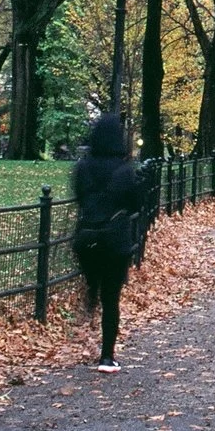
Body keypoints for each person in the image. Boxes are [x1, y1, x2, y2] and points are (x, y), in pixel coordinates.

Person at [69, 112, 155, 371]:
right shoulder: (124, 170)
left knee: (95, 277)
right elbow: (136, 204)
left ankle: (90, 289)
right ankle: (107, 356)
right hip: (115, 239)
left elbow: (79, 198)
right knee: (111, 298)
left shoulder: (82, 168)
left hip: (86, 236)